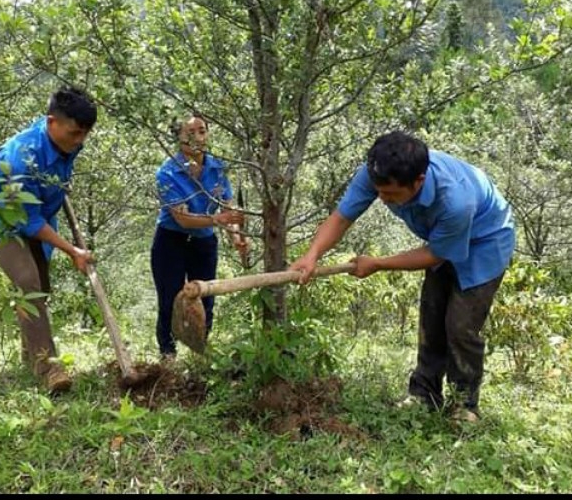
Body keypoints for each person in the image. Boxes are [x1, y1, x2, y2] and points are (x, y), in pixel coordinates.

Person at [290, 130, 515, 421]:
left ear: (418, 181)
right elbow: (342, 216)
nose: (382, 199)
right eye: (379, 191)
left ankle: (465, 405)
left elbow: (436, 254)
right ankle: (424, 395)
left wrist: (378, 263)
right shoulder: (379, 171)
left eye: (392, 194)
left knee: (461, 327)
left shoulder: (455, 201)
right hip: (441, 240)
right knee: (432, 318)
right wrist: (312, 255)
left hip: (486, 242)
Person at [0, 86, 98, 394]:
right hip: (3, 223)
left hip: (40, 218)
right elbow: (27, 222)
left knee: (39, 291)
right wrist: (73, 250)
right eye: (75, 133)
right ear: (51, 122)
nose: (79, 141)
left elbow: (38, 217)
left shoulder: (68, 143)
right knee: (28, 283)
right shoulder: (20, 158)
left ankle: (29, 356)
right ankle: (49, 368)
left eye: (84, 134)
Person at [151, 113, 248, 359]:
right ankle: (168, 354)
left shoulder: (217, 167)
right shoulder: (168, 173)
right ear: (179, 138)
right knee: (170, 298)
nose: (197, 138)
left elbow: (227, 208)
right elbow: (181, 218)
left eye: (202, 131)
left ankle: (200, 353)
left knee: (206, 297)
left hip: (204, 242)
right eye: (190, 133)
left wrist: (236, 237)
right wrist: (218, 220)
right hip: (170, 241)